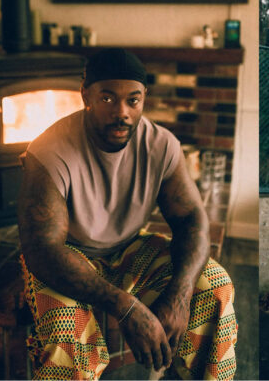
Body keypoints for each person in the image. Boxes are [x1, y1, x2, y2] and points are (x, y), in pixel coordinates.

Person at [17, 48, 237, 380]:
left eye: (133, 101)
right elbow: (43, 249)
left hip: (130, 248)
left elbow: (191, 219)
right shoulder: (49, 149)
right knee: (65, 331)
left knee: (215, 286)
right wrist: (126, 307)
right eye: (107, 99)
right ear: (86, 96)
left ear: (144, 98)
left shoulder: (161, 145)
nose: (121, 112)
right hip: (67, 255)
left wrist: (180, 294)